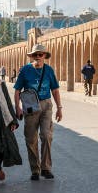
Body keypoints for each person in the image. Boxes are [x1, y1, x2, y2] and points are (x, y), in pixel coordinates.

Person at [13, 44, 62, 181]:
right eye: (36, 55)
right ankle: (35, 169)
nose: (38, 57)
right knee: (31, 139)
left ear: (45, 56)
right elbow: (17, 90)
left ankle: (46, 168)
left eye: (41, 54)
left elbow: (55, 90)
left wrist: (59, 108)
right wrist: (17, 107)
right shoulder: (25, 70)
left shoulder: (49, 70)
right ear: (32, 56)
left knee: (46, 135)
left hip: (46, 105)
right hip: (30, 107)